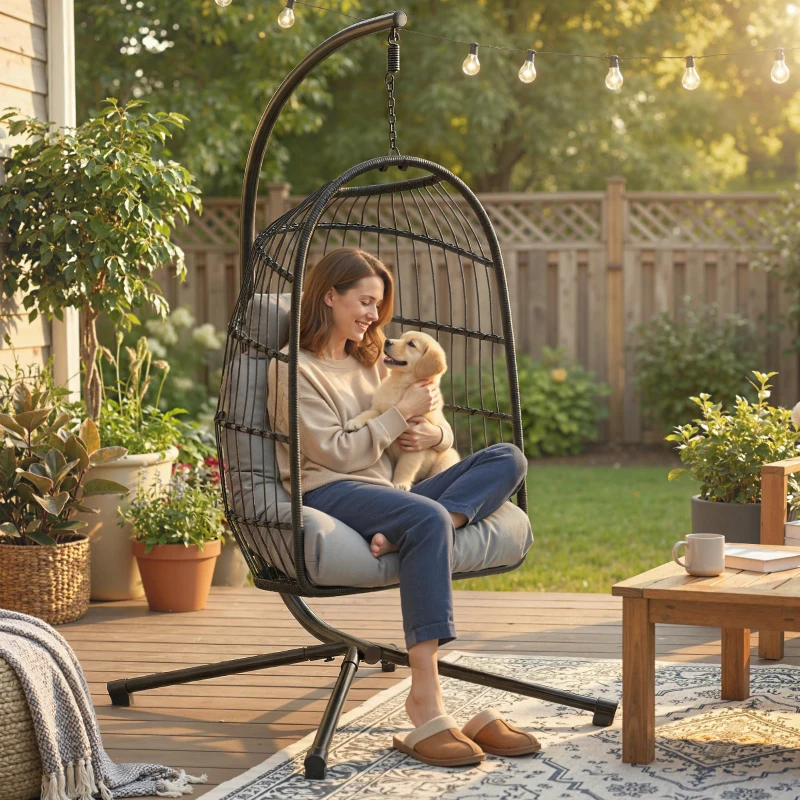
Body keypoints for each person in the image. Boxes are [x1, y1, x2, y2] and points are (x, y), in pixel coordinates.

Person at [268, 247, 539, 766]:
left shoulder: (373, 360)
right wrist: (399, 418)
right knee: (426, 515)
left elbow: (431, 427)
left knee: (508, 458)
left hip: (392, 492)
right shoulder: (294, 371)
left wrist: (432, 428)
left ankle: (404, 530)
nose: (375, 317)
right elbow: (333, 451)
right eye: (365, 302)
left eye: (378, 305)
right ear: (330, 296)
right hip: (332, 490)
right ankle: (426, 697)